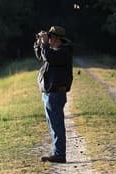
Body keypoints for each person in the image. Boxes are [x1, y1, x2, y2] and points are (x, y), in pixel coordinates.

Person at [33, 26, 73, 163]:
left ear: (56, 38)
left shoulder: (63, 52)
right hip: (49, 93)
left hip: (55, 94)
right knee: (53, 124)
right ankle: (57, 152)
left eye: (50, 37)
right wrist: (38, 44)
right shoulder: (53, 51)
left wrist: (44, 45)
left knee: (56, 125)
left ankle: (60, 154)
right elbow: (41, 56)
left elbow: (48, 56)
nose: (48, 39)